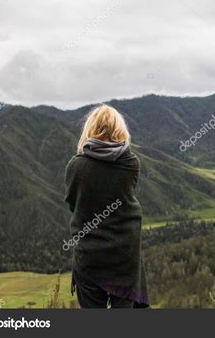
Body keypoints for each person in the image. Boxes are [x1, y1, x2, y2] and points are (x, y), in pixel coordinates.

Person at [64, 104, 149, 308]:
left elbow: (73, 204)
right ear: (120, 129)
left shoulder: (76, 165)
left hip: (89, 259)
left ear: (89, 128)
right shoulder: (131, 163)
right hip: (125, 260)